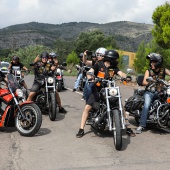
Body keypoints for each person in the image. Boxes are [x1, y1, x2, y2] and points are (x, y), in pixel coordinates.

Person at [76, 49, 135, 137]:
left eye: (115, 59)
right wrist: (90, 77)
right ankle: (81, 129)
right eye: (113, 59)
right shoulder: (99, 64)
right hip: (98, 90)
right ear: (108, 58)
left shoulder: (113, 67)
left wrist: (126, 77)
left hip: (110, 90)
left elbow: (120, 73)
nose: (114, 61)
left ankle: (127, 128)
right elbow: (91, 71)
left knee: (121, 107)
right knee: (87, 107)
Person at [136, 53, 170, 133]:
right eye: (151, 62)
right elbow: (144, 82)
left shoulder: (164, 70)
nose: (151, 63)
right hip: (150, 92)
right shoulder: (148, 71)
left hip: (160, 92)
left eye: (153, 62)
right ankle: (141, 125)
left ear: (158, 62)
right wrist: (150, 82)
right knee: (147, 105)